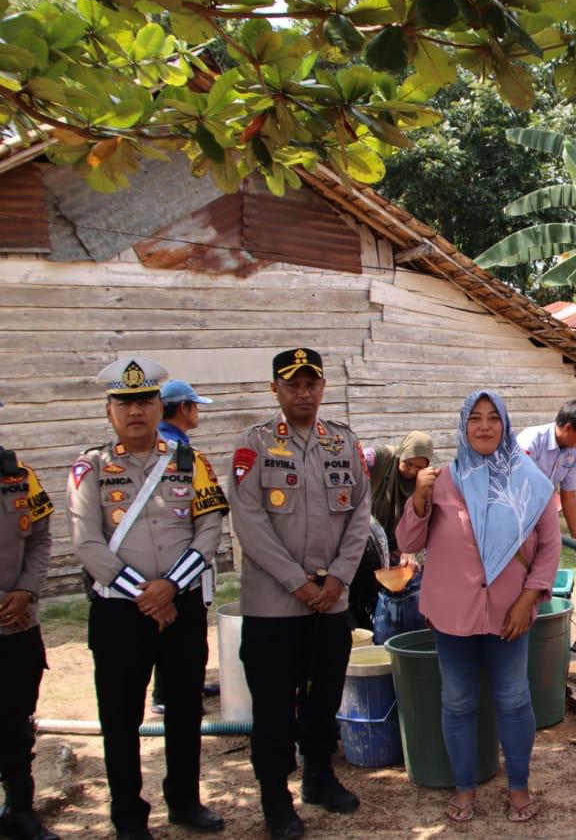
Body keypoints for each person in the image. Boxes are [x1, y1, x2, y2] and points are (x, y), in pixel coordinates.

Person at [68, 356, 228, 839]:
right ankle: (129, 816)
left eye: (144, 400)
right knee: (120, 718)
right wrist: (144, 595)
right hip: (120, 613)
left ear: (160, 406)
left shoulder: (190, 462)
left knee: (184, 710)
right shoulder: (90, 467)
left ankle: (184, 801)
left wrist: (171, 588)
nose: (135, 410)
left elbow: (209, 530)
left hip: (180, 608)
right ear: (109, 411)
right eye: (124, 403)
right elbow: (86, 541)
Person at [226, 348, 371, 840]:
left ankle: (319, 777)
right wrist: (298, 583)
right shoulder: (254, 446)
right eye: (292, 384)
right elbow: (249, 522)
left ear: (323, 387)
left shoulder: (343, 443)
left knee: (324, 696)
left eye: (311, 383)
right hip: (274, 605)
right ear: (276, 390)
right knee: (272, 705)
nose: (303, 392)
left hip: (332, 601)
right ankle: (275, 798)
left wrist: (338, 579)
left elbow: (360, 517)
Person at [396, 390, 559, 825]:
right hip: (452, 613)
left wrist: (529, 598)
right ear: (463, 426)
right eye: (476, 419)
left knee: (513, 698)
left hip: (510, 613)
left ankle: (519, 786)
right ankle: (465, 788)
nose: (485, 426)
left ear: (505, 425)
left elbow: (549, 547)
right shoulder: (441, 479)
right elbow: (407, 543)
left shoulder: (529, 479)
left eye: (493, 418)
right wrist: (417, 500)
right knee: (458, 701)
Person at [0, 398, 59, 840]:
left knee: (17, 722)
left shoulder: (18, 475)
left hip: (18, 623)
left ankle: (19, 811)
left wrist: (26, 591)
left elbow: (40, 539)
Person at [152, 379, 216, 715]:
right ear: (184, 408)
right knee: (176, 629)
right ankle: (167, 695)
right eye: (195, 407)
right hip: (179, 560)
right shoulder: (175, 450)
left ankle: (186, 684)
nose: (197, 413)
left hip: (174, 558)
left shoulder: (173, 443)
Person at [516, 398, 576, 541]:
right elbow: (519, 488)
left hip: (542, 513)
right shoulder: (530, 442)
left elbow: (569, 496)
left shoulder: (574, 453)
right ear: (568, 428)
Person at [362, 431, 434, 561]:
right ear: (401, 454)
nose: (412, 471)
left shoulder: (427, 482)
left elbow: (421, 519)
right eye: (408, 463)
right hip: (368, 539)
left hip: (401, 549)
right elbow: (353, 462)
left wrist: (409, 550)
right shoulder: (383, 457)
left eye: (419, 467)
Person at [158, 380, 211, 447]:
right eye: (195, 405)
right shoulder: (175, 448)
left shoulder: (156, 438)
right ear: (184, 408)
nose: (197, 410)